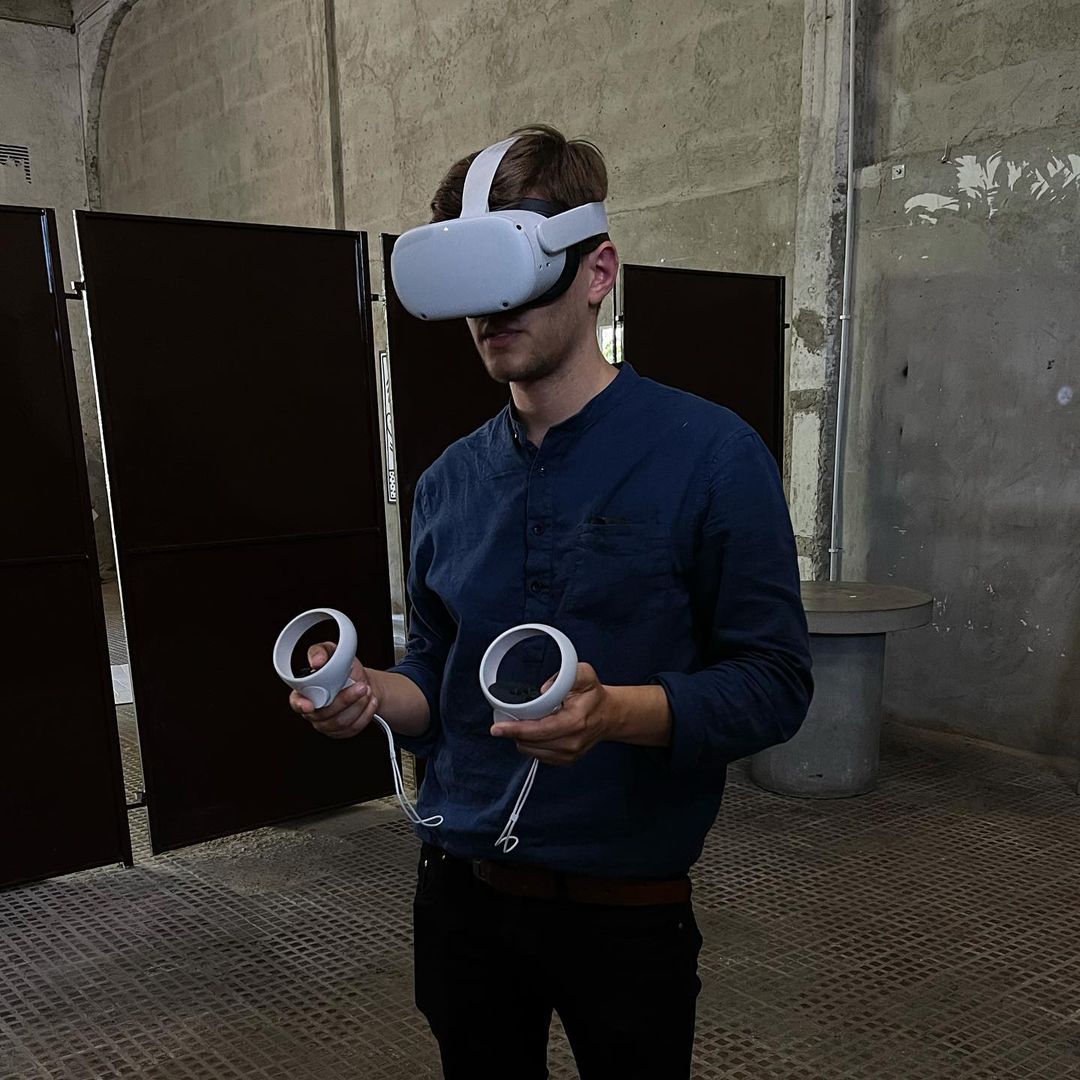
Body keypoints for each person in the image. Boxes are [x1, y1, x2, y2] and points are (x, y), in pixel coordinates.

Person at [290, 125, 812, 1080]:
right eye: (470, 283)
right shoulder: (449, 483)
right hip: (462, 896)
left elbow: (774, 683)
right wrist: (370, 693)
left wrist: (616, 713)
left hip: (627, 910)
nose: (491, 312)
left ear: (596, 271)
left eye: (516, 274)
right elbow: (437, 677)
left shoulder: (710, 457)